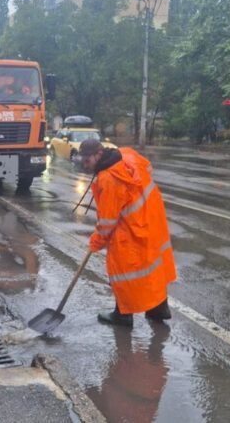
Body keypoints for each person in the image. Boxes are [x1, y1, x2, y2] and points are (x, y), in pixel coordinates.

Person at [78, 138, 176, 327]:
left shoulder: (109, 178)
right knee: (153, 267)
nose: (85, 164)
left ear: (98, 154)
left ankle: (122, 315)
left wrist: (95, 242)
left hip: (131, 229)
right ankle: (159, 309)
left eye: (87, 160)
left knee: (122, 272)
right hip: (151, 219)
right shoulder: (125, 154)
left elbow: (107, 222)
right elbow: (147, 167)